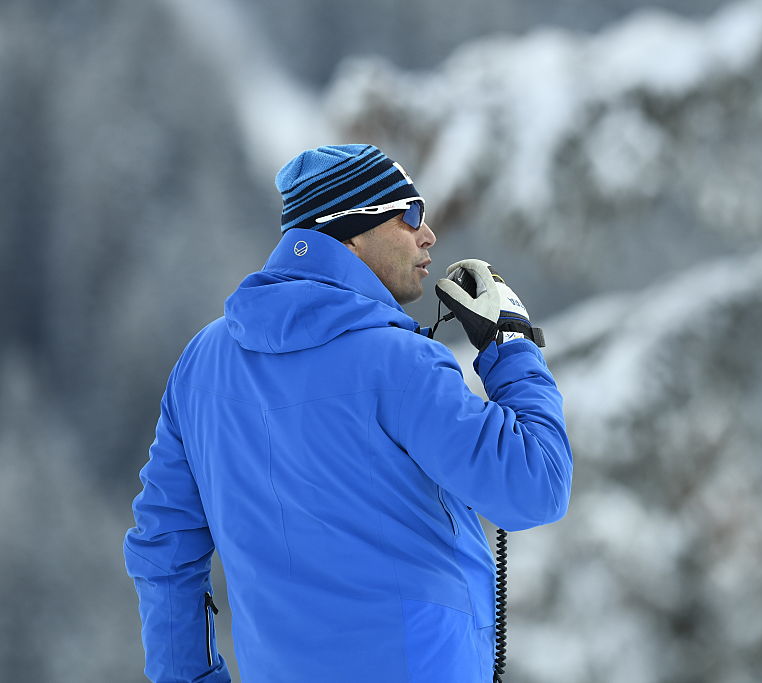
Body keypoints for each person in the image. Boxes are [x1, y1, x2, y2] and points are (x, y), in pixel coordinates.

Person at [123, 144, 573, 683]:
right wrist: (512, 346)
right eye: (409, 215)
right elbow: (536, 485)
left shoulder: (201, 364)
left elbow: (165, 551)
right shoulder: (398, 362)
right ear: (351, 232)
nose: (427, 235)